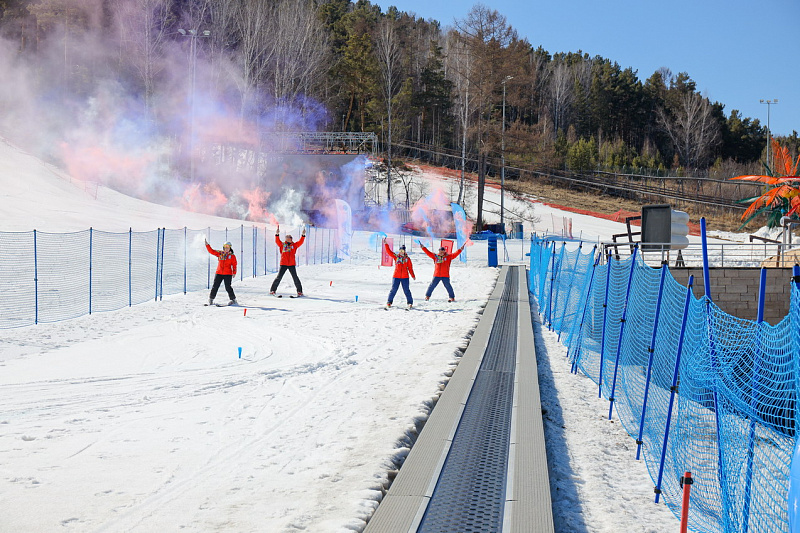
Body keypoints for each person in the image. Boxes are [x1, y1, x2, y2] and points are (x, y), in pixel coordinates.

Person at [271, 224, 306, 296]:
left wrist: (303, 235)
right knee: (279, 277)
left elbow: (300, 242)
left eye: (288, 237)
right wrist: (277, 234)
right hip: (283, 263)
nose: (286, 238)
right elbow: (277, 241)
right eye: (286, 237)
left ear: (291, 239)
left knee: (295, 278)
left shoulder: (294, 245)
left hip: (291, 264)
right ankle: (272, 290)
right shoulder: (282, 245)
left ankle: (299, 291)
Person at [204, 239, 237, 305]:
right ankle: (211, 299)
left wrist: (234, 272)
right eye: (225, 247)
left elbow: (234, 265)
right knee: (215, 286)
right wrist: (207, 245)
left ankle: (233, 300)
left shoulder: (232, 256)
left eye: (228, 247)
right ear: (223, 247)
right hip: (219, 273)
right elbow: (211, 251)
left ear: (230, 248)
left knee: (228, 287)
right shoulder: (220, 253)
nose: (226, 249)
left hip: (228, 274)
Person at [383, 241, 415, 308]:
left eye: (402, 251)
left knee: (406, 290)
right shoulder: (396, 257)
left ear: (404, 251)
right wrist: (386, 244)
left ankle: (410, 303)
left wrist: (413, 275)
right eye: (400, 250)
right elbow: (389, 252)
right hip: (396, 276)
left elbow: (410, 268)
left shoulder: (407, 259)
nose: (401, 252)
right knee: (393, 290)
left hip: (405, 277)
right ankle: (389, 302)